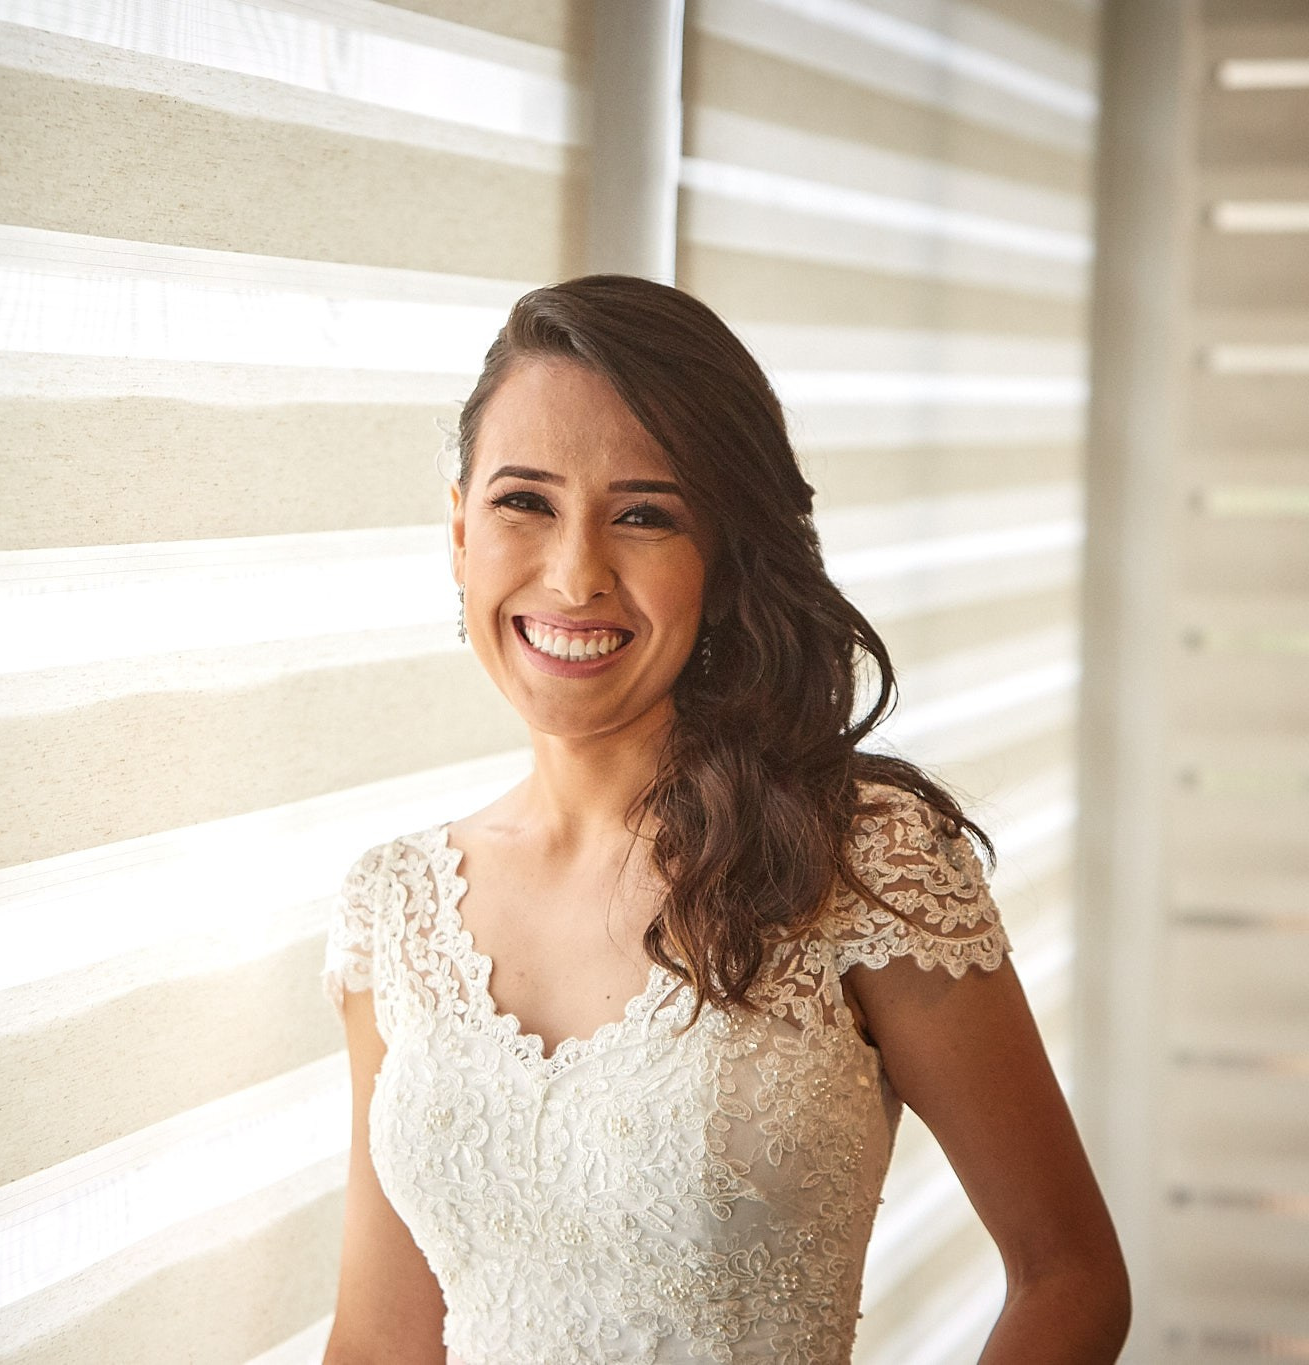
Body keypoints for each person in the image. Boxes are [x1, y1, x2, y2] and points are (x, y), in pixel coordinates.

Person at [317, 276, 1129, 1364]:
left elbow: (1066, 1276)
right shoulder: (395, 911)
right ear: (458, 532)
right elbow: (379, 1344)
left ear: (724, 557)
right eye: (524, 503)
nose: (574, 573)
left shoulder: (860, 856)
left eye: (643, 515)